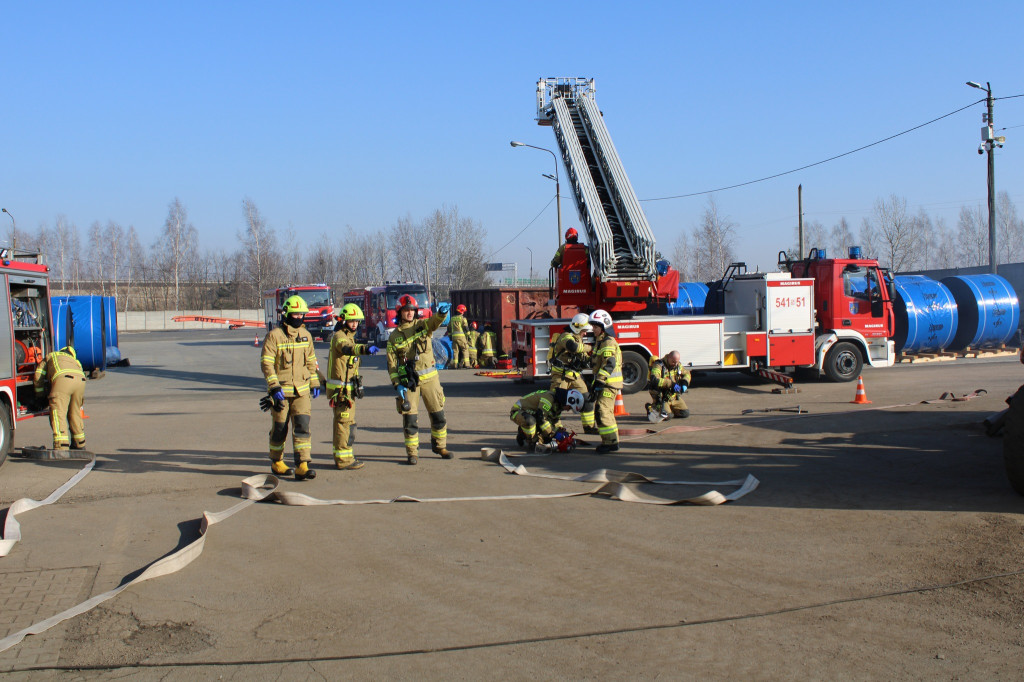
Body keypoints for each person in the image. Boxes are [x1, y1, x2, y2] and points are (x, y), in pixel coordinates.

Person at [261, 295, 322, 480]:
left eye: (301, 314)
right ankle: (277, 461)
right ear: (286, 314)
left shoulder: (306, 336)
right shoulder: (275, 336)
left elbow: (311, 362)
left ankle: (302, 464)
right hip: (281, 392)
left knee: (303, 427)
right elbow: (267, 363)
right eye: (295, 314)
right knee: (280, 428)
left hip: (302, 391)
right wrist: (273, 386)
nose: (299, 317)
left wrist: (315, 382)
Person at [387, 294, 452, 465]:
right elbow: (391, 364)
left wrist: (441, 314)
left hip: (431, 380)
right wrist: (397, 384)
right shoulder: (394, 336)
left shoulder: (423, 326)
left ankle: (440, 446)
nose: (409, 313)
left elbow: (434, 322)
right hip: (410, 383)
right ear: (399, 312)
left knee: (438, 415)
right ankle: (412, 453)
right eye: (406, 310)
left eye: (412, 310)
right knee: (410, 420)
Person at [327, 303, 379, 470]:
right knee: (343, 424)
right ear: (343, 320)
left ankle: (346, 455)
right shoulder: (340, 337)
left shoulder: (350, 336)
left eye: (357, 321)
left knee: (348, 424)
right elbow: (347, 349)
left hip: (349, 390)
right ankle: (343, 460)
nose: (355, 324)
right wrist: (364, 349)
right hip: (341, 391)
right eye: (351, 320)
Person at [548, 313, 597, 433]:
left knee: (587, 399)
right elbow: (574, 347)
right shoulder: (565, 337)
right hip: (561, 377)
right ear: (578, 328)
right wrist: (591, 348)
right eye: (584, 330)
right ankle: (556, 429)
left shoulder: (578, 338)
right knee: (556, 403)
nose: (585, 333)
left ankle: (589, 427)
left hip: (574, 376)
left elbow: (583, 356)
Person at [33, 345, 87, 450]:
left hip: (63, 381)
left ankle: (62, 446)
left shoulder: (52, 355)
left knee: (58, 414)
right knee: (75, 413)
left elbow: (38, 375)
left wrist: (40, 395)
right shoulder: (75, 361)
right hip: (81, 382)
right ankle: (79, 443)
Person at [588, 309, 622, 453]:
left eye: (595, 327)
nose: (593, 329)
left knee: (603, 411)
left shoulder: (607, 342)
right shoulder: (600, 342)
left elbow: (609, 363)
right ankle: (611, 441)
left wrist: (599, 381)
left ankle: (610, 443)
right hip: (606, 382)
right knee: (603, 411)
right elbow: (597, 362)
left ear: (603, 326)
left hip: (609, 384)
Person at [510, 388, 586, 452]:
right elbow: (541, 418)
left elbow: (555, 420)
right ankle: (527, 437)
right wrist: (554, 434)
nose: (568, 410)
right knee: (530, 422)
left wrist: (561, 430)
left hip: (533, 413)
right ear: (569, 401)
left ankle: (526, 434)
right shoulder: (549, 398)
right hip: (519, 411)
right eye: (569, 407)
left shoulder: (558, 403)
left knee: (547, 439)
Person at [646, 350, 691, 421]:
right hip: (662, 396)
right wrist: (671, 384)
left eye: (677, 362)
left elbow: (687, 373)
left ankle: (668, 409)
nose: (675, 364)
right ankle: (652, 408)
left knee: (685, 413)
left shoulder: (677, 365)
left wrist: (684, 382)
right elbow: (655, 379)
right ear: (668, 358)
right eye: (673, 362)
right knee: (668, 416)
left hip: (673, 396)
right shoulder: (658, 365)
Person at [448, 304, 471, 368]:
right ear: (462, 311)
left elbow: (448, 328)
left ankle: (455, 364)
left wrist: (450, 335)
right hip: (461, 337)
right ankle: (467, 364)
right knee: (465, 349)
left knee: (455, 350)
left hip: (454, 337)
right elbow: (466, 328)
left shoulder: (452, 318)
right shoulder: (463, 319)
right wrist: (469, 335)